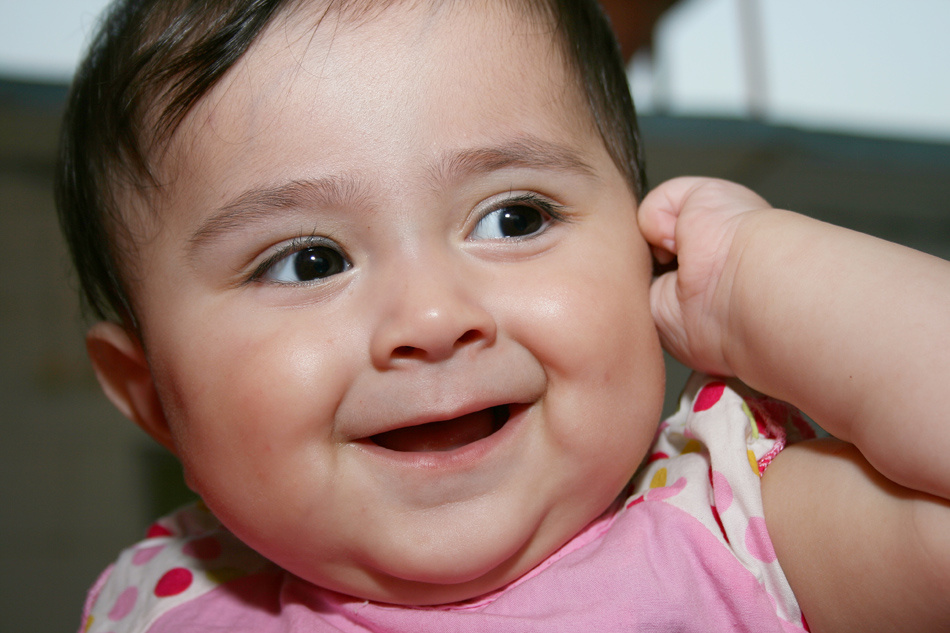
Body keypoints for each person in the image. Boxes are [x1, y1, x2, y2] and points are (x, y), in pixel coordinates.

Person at [57, 0, 950, 631]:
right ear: (154, 395)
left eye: (514, 218)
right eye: (310, 261)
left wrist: (755, 278)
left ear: (644, 250)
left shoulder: (731, 535)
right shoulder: (165, 608)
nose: (432, 316)